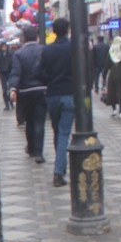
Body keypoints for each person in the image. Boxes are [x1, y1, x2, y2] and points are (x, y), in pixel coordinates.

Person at [36, 18, 74, 187]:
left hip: (52, 95)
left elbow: (38, 73)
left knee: (58, 132)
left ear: (54, 31)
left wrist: (49, 79)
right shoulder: (73, 48)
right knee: (64, 133)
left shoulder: (48, 50)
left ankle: (61, 166)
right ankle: (58, 172)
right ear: (67, 30)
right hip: (69, 94)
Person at [8, 26, 48, 166]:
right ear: (36, 36)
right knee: (39, 122)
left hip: (25, 92)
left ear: (24, 38)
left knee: (29, 121)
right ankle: (39, 151)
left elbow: (16, 73)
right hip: (41, 90)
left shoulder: (19, 53)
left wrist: (13, 89)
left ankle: (31, 148)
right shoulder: (44, 50)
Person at [105, 36, 121, 117]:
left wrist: (104, 75)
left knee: (112, 92)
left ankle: (114, 110)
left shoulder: (110, 53)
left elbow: (106, 66)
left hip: (112, 74)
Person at [0, 43, 14, 111]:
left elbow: (12, 62)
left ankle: (11, 102)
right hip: (3, 74)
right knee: (4, 90)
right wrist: (0, 70)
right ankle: (6, 104)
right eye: (2, 47)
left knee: (10, 89)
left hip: (9, 73)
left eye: (5, 47)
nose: (4, 48)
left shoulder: (10, 54)